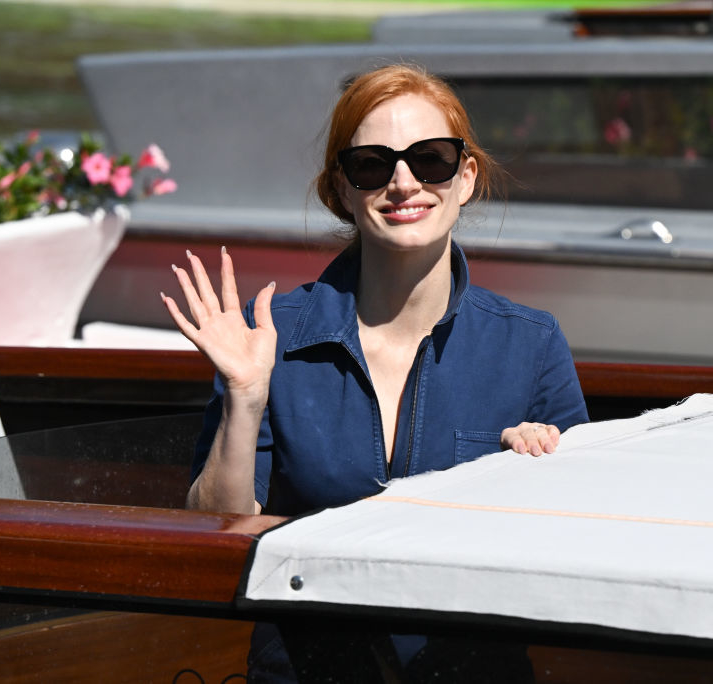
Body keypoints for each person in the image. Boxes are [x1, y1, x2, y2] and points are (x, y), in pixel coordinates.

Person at [163, 62, 590, 683]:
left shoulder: (529, 344)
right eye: (372, 164)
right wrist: (246, 397)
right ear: (341, 187)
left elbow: (579, 541)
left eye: (431, 159)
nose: (404, 183)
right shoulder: (272, 336)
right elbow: (216, 528)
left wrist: (527, 479)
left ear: (465, 177)